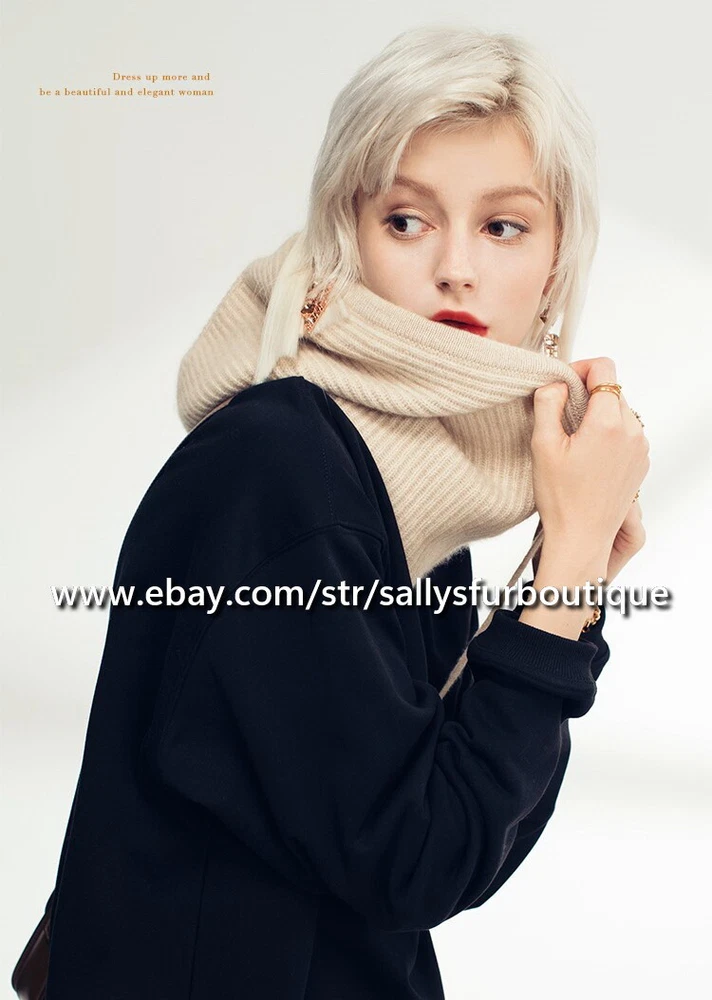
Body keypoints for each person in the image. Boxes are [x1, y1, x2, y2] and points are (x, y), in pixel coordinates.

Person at [42, 23, 649, 1000]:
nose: (456, 268)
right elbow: (418, 857)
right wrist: (564, 573)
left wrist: (564, 582)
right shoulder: (278, 471)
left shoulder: (410, 501)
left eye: (503, 226)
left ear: (555, 264)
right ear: (346, 237)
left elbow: (464, 831)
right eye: (407, 220)